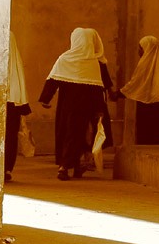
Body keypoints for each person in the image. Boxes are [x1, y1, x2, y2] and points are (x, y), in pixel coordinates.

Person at [39, 27, 108, 181]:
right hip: (83, 108)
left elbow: (52, 81)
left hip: (68, 107)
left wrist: (45, 99)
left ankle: (66, 166)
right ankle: (69, 166)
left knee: (70, 135)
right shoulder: (91, 63)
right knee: (76, 135)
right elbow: (97, 89)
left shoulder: (65, 59)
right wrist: (99, 109)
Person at [115, 36, 159, 145]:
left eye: (140, 48)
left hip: (145, 105)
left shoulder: (144, 65)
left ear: (147, 48)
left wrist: (119, 93)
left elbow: (135, 84)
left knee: (148, 133)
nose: (138, 51)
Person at [5, 31, 31, 182]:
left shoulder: (14, 65)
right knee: (9, 136)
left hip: (9, 102)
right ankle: (6, 169)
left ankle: (6, 168)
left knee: (9, 136)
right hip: (12, 101)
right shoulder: (16, 66)